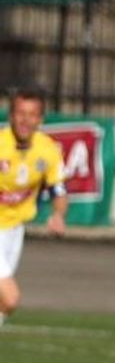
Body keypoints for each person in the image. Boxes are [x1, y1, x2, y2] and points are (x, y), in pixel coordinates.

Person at [0, 87, 67, 327]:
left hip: (14, 231)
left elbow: (58, 189)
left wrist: (58, 215)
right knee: (10, 298)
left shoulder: (48, 150)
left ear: (41, 119)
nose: (25, 120)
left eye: (32, 114)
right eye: (20, 113)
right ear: (10, 115)